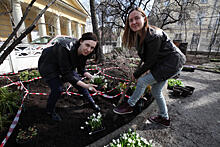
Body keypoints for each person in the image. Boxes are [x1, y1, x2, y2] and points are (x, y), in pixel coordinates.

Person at [113, 7, 186, 127]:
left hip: (172, 63)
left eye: (137, 18)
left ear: (144, 18)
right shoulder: (139, 35)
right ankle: (164, 118)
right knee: (156, 91)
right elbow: (147, 56)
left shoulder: (153, 35)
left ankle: (130, 105)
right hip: (164, 63)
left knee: (142, 81)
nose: (133, 22)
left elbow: (151, 60)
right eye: (130, 20)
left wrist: (137, 74)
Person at [38, 32, 101, 121]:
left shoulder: (85, 52)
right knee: (57, 89)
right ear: (81, 41)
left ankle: (92, 102)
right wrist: (86, 85)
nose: (89, 49)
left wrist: (94, 78)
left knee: (80, 85)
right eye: (87, 45)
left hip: (65, 65)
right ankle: (50, 111)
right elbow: (67, 74)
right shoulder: (65, 48)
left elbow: (81, 70)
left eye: (92, 48)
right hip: (49, 65)